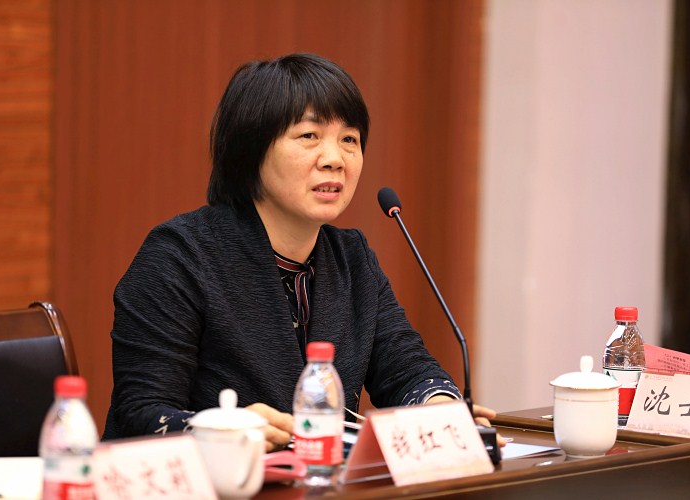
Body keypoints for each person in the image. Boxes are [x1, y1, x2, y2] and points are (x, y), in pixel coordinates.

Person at [102, 53, 502, 450]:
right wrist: (225, 430)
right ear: (252, 150)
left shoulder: (353, 259)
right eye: (309, 136)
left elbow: (407, 369)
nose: (334, 159)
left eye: (349, 140)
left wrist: (440, 407)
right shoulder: (179, 257)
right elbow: (141, 414)